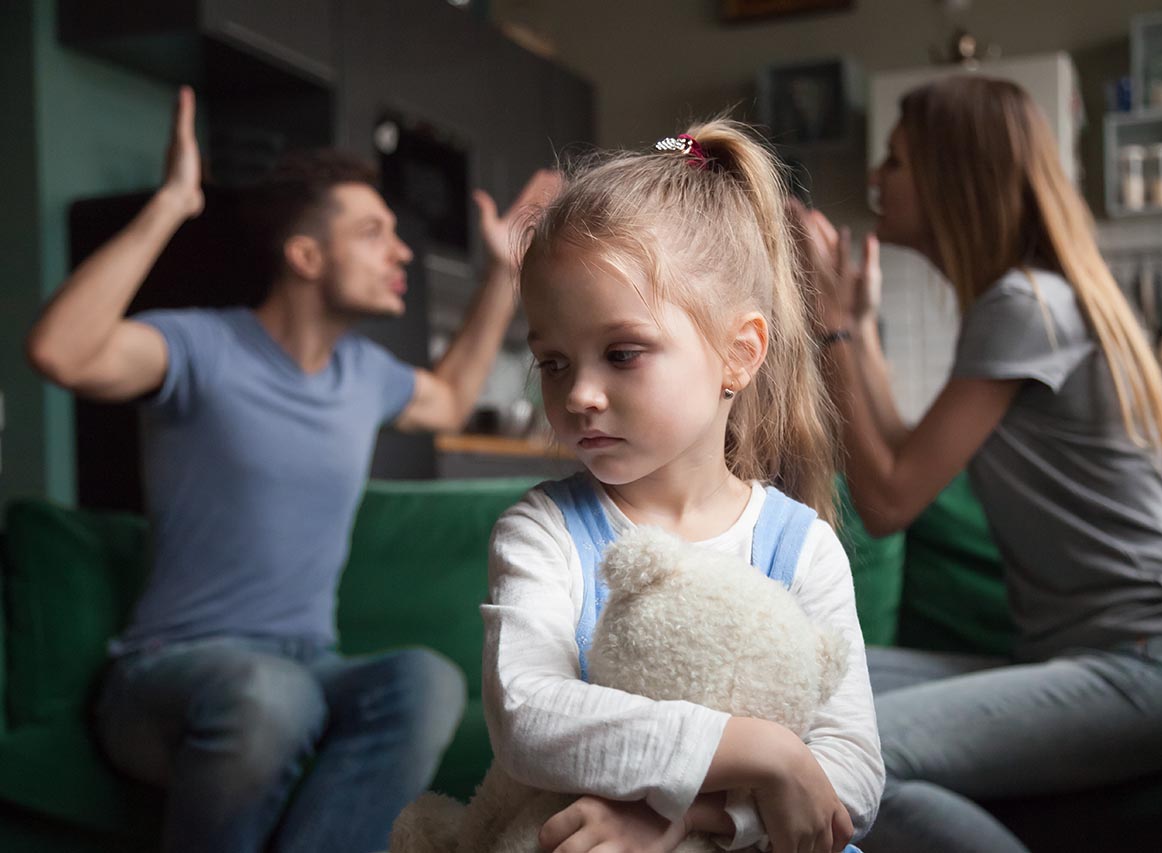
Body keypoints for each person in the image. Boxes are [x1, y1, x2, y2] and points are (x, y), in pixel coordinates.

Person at [25, 86, 560, 853]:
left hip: (310, 667)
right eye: (374, 232)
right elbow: (61, 351)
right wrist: (174, 202)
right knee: (269, 697)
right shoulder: (200, 349)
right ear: (306, 255)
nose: (402, 250)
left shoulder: (362, 372)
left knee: (424, 680)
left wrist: (503, 272)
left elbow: (445, 400)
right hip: (167, 675)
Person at [793, 75, 1162, 853]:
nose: (876, 179)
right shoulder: (1020, 303)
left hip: (1160, 666)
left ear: (951, 176)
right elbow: (908, 448)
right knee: (803, 678)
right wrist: (858, 328)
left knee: (847, 764)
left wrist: (828, 327)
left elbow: (889, 499)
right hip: (1092, 657)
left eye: (896, 162)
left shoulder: (1023, 304)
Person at [482, 122, 884, 853]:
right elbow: (527, 713)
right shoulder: (542, 531)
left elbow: (852, 771)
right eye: (554, 363)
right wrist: (763, 751)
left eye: (622, 353)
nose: (582, 395)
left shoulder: (804, 548)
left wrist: (680, 822)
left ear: (739, 353)